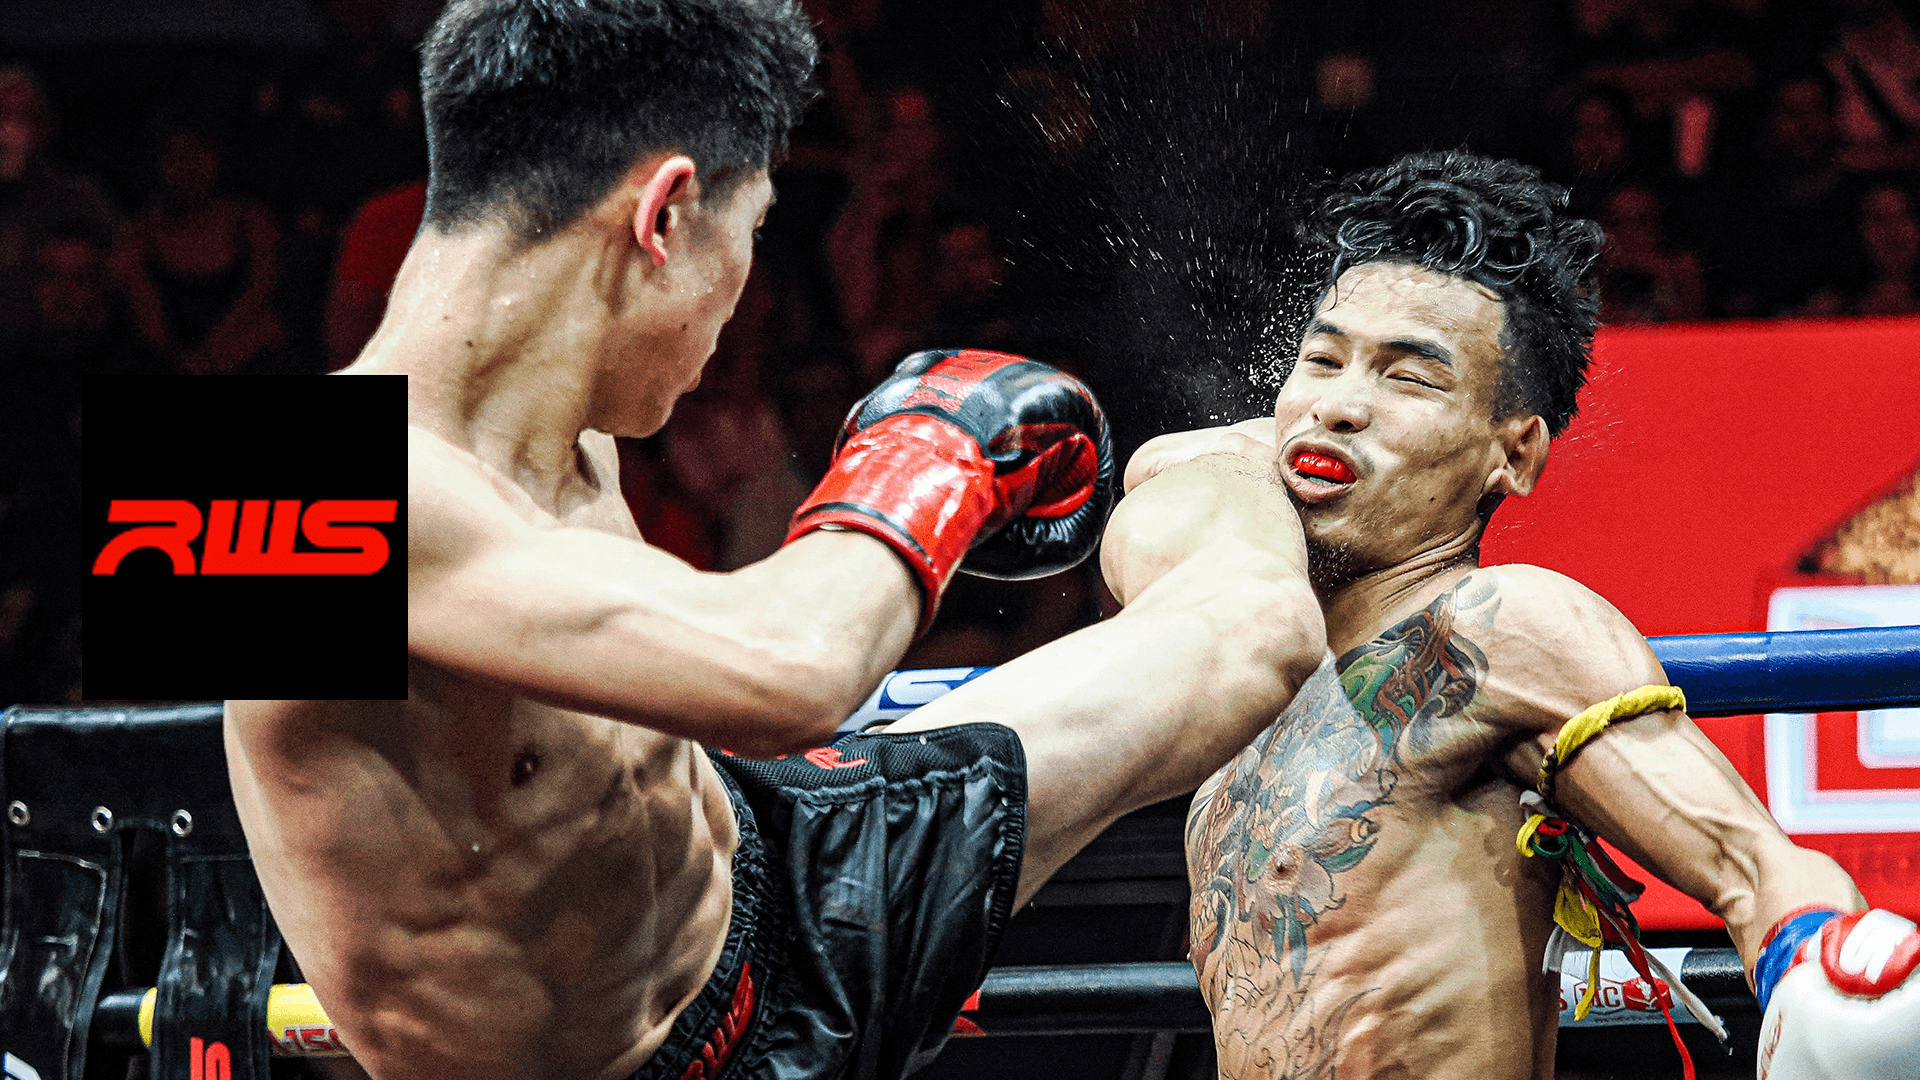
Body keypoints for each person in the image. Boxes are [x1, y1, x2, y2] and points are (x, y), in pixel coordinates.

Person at [223, 3, 1326, 1080]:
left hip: (775, 864)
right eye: (750, 236)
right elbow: (789, 671)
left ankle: (1250, 441)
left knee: (1256, 634)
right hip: (645, 1063)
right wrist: (930, 462)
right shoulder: (265, 499)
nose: (743, 304)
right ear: (664, 216)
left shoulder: (576, 425)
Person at [1131, 152, 1919, 1080]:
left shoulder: (1494, 627)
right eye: (1323, 359)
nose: (1340, 407)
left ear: (1513, 455)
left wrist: (1816, 952)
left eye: (1410, 379)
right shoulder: (1254, 664)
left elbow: (1752, 866)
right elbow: (1159, 469)